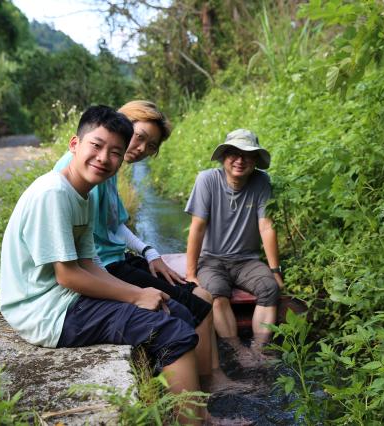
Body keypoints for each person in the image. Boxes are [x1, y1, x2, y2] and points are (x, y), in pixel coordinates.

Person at [0, 105, 204, 424]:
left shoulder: (83, 194)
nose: (103, 158)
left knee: (175, 309)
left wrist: (143, 290)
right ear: (74, 145)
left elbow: (90, 263)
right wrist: (136, 296)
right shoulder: (53, 194)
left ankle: (182, 405)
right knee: (172, 330)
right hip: (45, 311)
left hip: (65, 299)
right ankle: (195, 421)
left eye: (114, 152)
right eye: (96, 145)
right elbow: (67, 276)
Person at [54, 100, 243, 394]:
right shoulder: (79, 172)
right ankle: (209, 383)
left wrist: (150, 253)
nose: (140, 147)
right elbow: (81, 255)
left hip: (115, 260)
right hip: (108, 267)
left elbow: (114, 223)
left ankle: (210, 378)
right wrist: (132, 289)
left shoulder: (109, 172)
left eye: (150, 145)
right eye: (138, 136)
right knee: (197, 306)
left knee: (203, 294)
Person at [185, 129, 284, 367]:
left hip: (247, 260)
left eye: (247, 155)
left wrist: (276, 271)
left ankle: (258, 349)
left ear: (255, 160)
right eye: (233, 153)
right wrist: (191, 274)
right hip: (211, 260)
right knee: (217, 292)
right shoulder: (207, 180)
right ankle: (237, 349)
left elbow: (266, 227)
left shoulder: (261, 181)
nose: (240, 160)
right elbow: (197, 228)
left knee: (270, 288)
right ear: (223, 157)